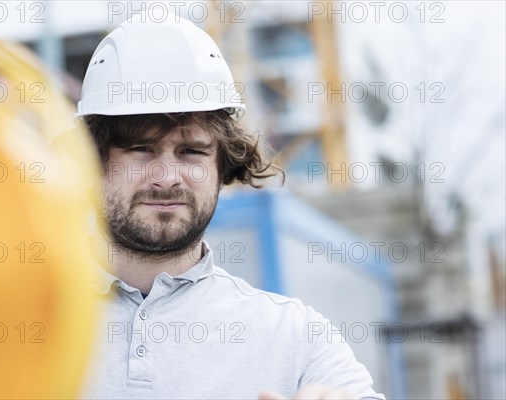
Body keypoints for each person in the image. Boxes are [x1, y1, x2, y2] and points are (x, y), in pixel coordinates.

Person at [76, 12, 386, 400]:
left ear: (222, 165)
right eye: (141, 149)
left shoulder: (295, 336)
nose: (168, 175)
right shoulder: (18, 324)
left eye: (191, 152)